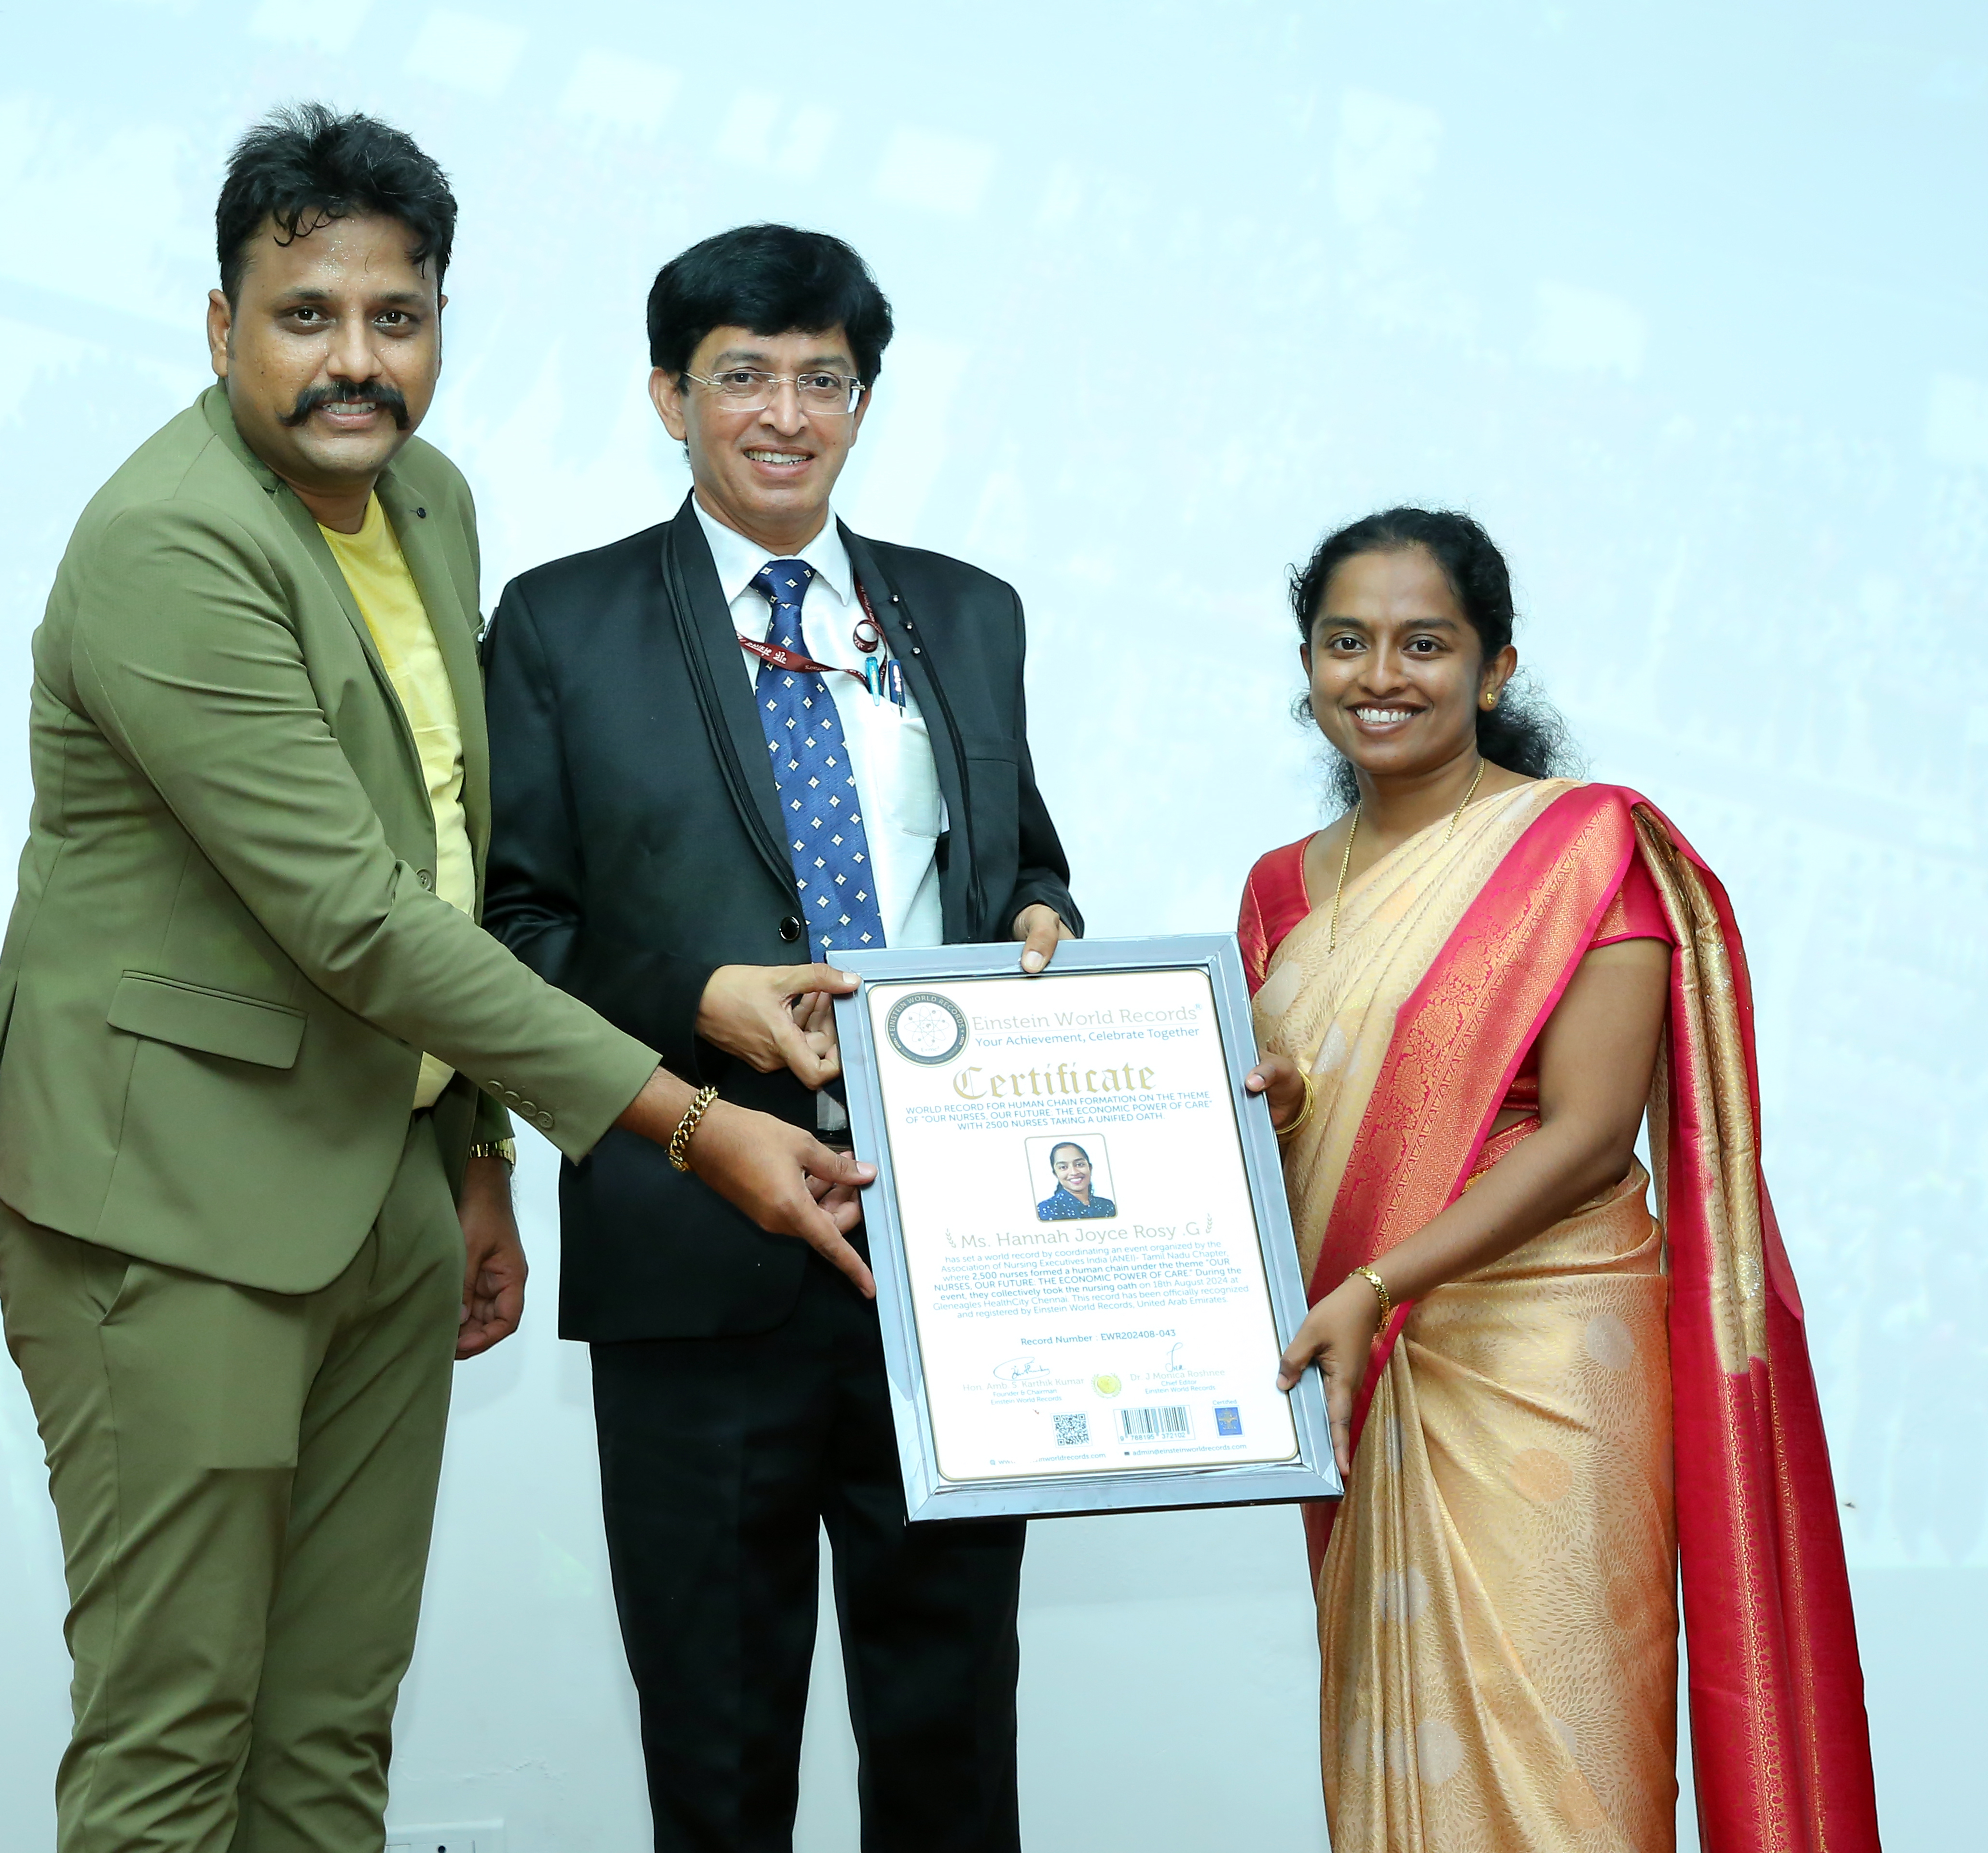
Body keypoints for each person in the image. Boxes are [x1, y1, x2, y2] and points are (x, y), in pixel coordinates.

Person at [0, 113, 875, 1853]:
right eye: (305, 315)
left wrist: (469, 1158)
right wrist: (677, 1125)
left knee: (325, 1737)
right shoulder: (169, 544)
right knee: (176, 1743)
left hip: (370, 1183)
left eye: (398, 315)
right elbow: (357, 916)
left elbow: (449, 841)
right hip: (167, 1205)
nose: (355, 362)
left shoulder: (424, 503)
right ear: (220, 324)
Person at [480, 223, 1079, 1853]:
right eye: (742, 375)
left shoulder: (968, 614)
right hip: (695, 1243)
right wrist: (692, 993)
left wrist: (1046, 928)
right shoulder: (560, 622)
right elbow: (503, 936)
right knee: (721, 1749)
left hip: (950, 1253)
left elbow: (1021, 860)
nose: (786, 413)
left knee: (953, 1738)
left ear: (866, 401)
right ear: (670, 395)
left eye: (825, 378)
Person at [1236, 508, 1878, 1851]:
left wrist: (1381, 1279)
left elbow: (1589, 1132)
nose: (1382, 676)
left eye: (1426, 643)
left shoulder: (1586, 847)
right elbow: (1313, 1115)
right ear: (1307, 667)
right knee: (1393, 1747)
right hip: (1368, 1374)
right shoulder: (1280, 890)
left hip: (1543, 1356)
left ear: (1498, 666)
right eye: (1346, 643)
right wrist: (1280, 1102)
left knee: (1564, 1749)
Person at [1034, 1141, 1114, 1221]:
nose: (1074, 1172)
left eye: (1079, 1165)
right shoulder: (1048, 1209)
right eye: (1063, 1167)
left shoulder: (1106, 1205)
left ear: (1090, 1168)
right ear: (1056, 1174)